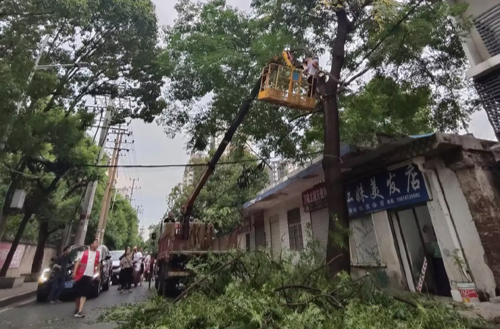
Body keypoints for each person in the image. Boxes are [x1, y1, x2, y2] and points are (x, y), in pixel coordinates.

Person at [73, 239, 100, 318]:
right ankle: (77, 308)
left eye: (98, 243)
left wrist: (98, 273)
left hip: (89, 275)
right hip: (81, 275)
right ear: (91, 244)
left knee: (84, 293)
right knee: (78, 294)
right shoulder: (84, 253)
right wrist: (74, 272)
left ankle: (80, 311)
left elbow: (98, 263)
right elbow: (77, 262)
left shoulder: (98, 254)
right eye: (96, 243)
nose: (97, 244)